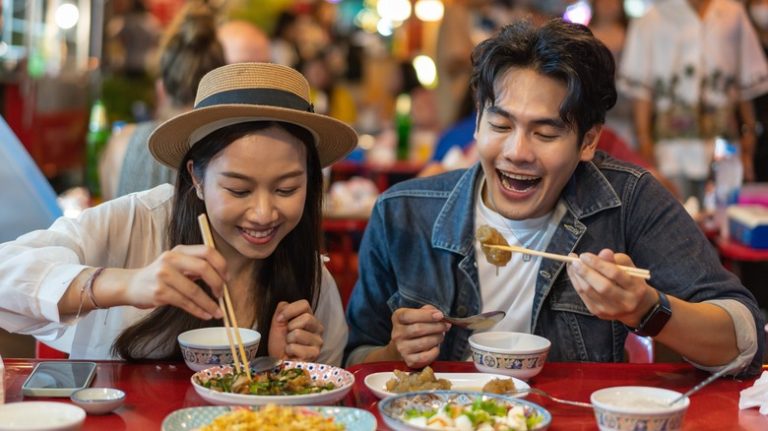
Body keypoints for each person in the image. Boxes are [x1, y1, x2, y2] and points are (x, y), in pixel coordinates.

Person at [345, 19, 764, 378]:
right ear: (477, 121)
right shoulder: (401, 214)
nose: (517, 152)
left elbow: (746, 338)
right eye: (501, 125)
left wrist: (647, 310)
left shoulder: (628, 201)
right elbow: (355, 359)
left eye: (545, 133)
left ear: (589, 141)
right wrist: (393, 354)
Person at [0, 62, 358, 365]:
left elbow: (327, 393)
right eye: (238, 190)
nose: (263, 214)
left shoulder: (310, 277)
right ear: (196, 178)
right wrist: (126, 284)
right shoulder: (140, 222)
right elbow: (7, 273)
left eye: (286, 189)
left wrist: (287, 370)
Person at [619, 0, 768, 202]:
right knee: (675, 218)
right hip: (670, 151)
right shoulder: (651, 19)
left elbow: (746, 83)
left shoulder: (732, 14)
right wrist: (644, 142)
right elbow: (642, 93)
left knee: (723, 219)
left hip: (725, 147)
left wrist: (750, 133)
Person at [99, 1, 226, 200]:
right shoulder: (225, 149)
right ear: (219, 86)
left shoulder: (121, 144)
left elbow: (110, 220)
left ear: (161, 89)